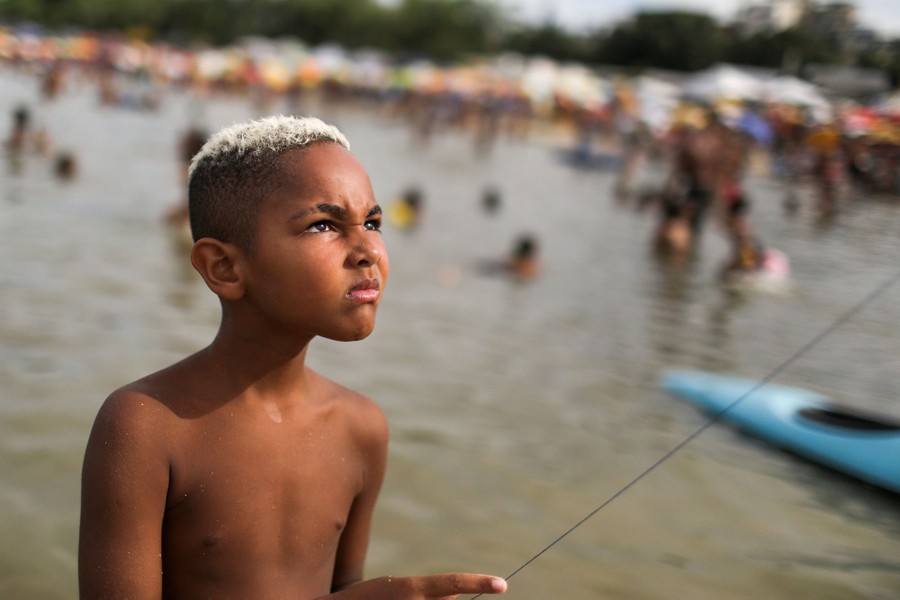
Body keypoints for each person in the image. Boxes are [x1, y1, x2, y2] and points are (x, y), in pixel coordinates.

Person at [79, 115, 508, 600]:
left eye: (372, 222)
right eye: (323, 224)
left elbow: (341, 587)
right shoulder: (146, 425)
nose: (368, 249)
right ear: (224, 267)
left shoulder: (362, 427)